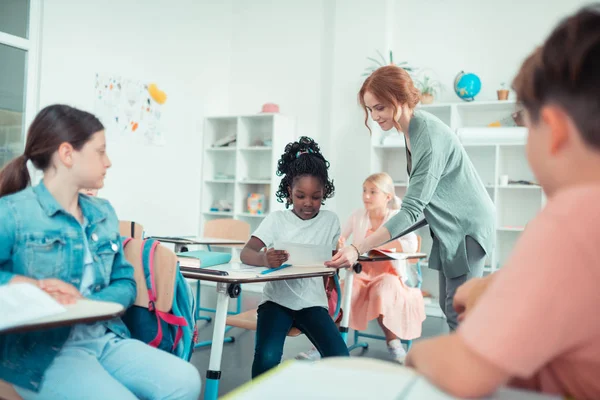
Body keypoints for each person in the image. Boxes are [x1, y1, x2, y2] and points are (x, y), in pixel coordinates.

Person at [405, 6, 600, 399]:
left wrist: (417, 355)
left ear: (555, 131)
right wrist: (493, 292)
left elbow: (462, 373)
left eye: (527, 128)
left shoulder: (572, 217)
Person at [0, 104, 201, 400]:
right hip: (39, 352)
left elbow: (125, 281)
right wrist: (26, 285)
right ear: (68, 154)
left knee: (185, 381)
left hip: (104, 337)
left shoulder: (103, 213)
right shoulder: (14, 212)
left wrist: (87, 302)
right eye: (100, 152)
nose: (108, 162)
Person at [327, 64, 496, 331]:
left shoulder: (425, 134)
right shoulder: (411, 132)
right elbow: (419, 206)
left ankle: (475, 370)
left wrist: (359, 247)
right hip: (450, 225)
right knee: (448, 306)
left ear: (400, 99)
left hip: (466, 226)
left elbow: (413, 209)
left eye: (379, 108)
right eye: (370, 109)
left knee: (460, 311)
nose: (374, 116)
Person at [240, 136, 350, 378]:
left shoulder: (330, 221)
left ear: (325, 193)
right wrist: (264, 259)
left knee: (340, 356)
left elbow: (329, 264)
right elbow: (246, 252)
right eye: (300, 196)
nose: (308, 203)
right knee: (267, 358)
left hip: (313, 304)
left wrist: (338, 263)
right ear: (289, 192)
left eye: (316, 196)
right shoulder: (276, 220)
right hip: (276, 303)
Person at [298, 172, 424, 363]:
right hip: (360, 273)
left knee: (384, 291)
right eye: (364, 191)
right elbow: (340, 238)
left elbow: (411, 245)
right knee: (342, 295)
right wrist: (339, 243)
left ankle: (393, 343)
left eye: (373, 192)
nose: (366, 196)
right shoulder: (358, 215)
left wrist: (378, 245)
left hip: (388, 274)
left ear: (387, 197)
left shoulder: (397, 216)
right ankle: (321, 345)